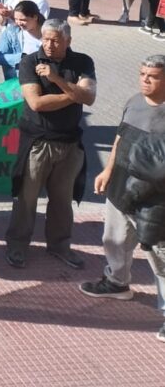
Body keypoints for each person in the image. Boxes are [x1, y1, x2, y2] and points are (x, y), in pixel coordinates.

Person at [78, 55, 165, 344]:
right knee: (114, 238)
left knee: (159, 258)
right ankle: (117, 282)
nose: (145, 80)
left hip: (156, 198)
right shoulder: (134, 101)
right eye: (142, 73)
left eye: (152, 76)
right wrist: (107, 169)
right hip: (121, 186)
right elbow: (120, 138)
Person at [4, 20, 94, 269]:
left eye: (55, 40)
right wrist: (74, 94)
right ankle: (17, 246)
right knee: (26, 198)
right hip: (38, 143)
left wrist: (57, 80)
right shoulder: (30, 62)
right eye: (45, 39)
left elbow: (91, 97)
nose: (49, 45)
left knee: (62, 200)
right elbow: (36, 104)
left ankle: (60, 246)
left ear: (68, 41)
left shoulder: (83, 62)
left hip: (70, 145)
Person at [0, 0, 45, 81]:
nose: (19, 23)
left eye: (23, 20)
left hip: (44, 81)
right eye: (16, 19)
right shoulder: (10, 33)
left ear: (35, 17)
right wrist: (23, 57)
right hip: (19, 82)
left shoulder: (50, 32)